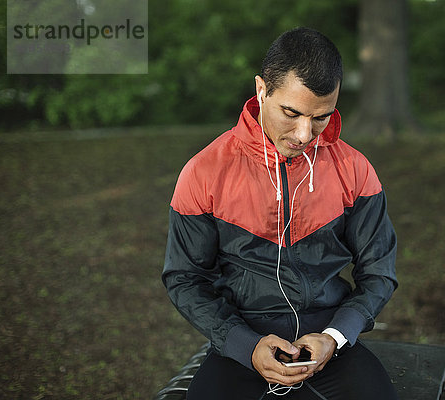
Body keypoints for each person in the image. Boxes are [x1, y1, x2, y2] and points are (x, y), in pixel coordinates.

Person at [162, 27, 399, 400]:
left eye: (322, 117)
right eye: (291, 112)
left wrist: (336, 336)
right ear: (261, 90)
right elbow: (184, 279)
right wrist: (243, 345)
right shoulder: (203, 172)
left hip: (330, 339)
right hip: (242, 339)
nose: (305, 133)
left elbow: (379, 272)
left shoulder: (354, 169)